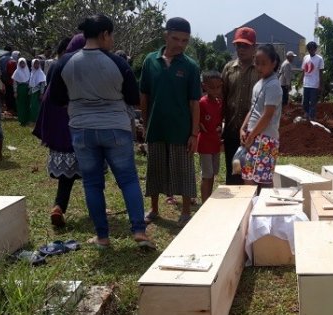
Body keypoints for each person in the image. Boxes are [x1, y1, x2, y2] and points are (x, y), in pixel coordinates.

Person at [50, 14, 151, 248]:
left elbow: (56, 97)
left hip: (82, 129)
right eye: (111, 35)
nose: (112, 40)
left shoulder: (65, 62)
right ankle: (139, 231)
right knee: (128, 180)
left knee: (92, 183)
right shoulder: (117, 62)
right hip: (115, 128)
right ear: (105, 34)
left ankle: (102, 237)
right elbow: (133, 97)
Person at [140, 17, 201, 227]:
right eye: (176, 39)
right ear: (166, 35)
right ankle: (154, 209)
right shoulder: (150, 61)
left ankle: (185, 212)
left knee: (184, 170)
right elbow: (144, 96)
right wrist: (145, 124)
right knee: (155, 168)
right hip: (156, 127)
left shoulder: (191, 66)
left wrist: (194, 134)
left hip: (181, 129)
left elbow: (195, 103)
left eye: (185, 41)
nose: (180, 44)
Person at [33, 34, 85, 227]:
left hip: (60, 128)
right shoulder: (84, 65)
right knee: (92, 173)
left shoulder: (57, 65)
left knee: (66, 177)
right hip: (80, 126)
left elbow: (49, 97)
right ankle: (97, 208)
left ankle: (58, 207)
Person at [240, 44, 282, 188]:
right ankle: (251, 208)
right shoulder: (259, 83)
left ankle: (265, 209)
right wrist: (243, 128)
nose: (259, 67)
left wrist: (251, 136)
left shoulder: (273, 85)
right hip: (254, 135)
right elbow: (253, 109)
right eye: (257, 63)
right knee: (248, 176)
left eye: (263, 63)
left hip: (265, 138)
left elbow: (267, 115)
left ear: (273, 63)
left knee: (263, 180)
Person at [221, 26, 259, 185]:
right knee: (233, 172)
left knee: (251, 174)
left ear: (254, 48)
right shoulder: (229, 69)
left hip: (254, 131)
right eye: (238, 45)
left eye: (245, 46)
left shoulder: (260, 70)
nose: (241, 49)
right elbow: (222, 97)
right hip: (231, 128)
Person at [197, 71, 223, 203]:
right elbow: (196, 120)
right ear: (204, 86)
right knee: (206, 175)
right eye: (212, 87)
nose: (216, 90)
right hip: (205, 144)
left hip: (215, 144)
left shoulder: (219, 103)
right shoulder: (202, 103)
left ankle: (209, 201)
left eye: (218, 87)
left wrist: (220, 128)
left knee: (212, 174)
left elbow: (219, 122)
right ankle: (204, 203)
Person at [301, 41, 324, 121]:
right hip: (306, 83)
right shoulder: (305, 58)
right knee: (305, 102)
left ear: (315, 49)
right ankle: (306, 114)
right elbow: (303, 70)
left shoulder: (319, 59)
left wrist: (320, 85)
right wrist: (300, 81)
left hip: (314, 84)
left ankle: (312, 117)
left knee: (313, 102)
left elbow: (321, 73)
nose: (311, 51)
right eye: (309, 49)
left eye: (312, 49)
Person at [12, 57, 31, 125]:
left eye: (23, 63)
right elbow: (14, 83)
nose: (22, 64)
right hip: (20, 89)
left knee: (27, 104)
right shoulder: (16, 72)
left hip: (27, 89)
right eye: (21, 63)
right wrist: (15, 92)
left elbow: (30, 81)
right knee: (21, 105)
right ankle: (22, 120)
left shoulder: (28, 71)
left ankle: (27, 119)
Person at [28, 58, 46, 123]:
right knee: (32, 106)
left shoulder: (40, 73)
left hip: (37, 92)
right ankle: (32, 119)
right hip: (32, 92)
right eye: (35, 63)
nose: (36, 65)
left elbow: (43, 84)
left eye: (38, 63)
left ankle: (36, 120)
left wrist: (41, 93)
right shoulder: (32, 72)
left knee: (36, 106)